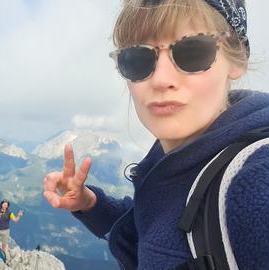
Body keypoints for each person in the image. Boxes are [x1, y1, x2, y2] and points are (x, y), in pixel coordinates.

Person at [42, 0, 269, 269]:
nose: (161, 79)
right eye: (137, 58)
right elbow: (160, 232)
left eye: (193, 52)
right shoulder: (176, 163)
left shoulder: (254, 179)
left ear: (237, 59)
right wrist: (91, 204)